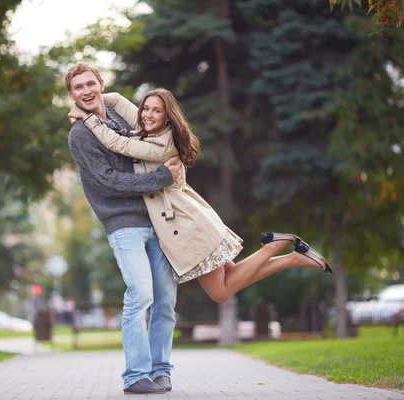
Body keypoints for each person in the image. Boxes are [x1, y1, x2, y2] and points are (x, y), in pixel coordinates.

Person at [68, 88, 333, 304]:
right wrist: (100, 98)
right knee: (230, 274)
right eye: (145, 108)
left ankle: (278, 247)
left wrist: (86, 116)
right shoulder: (149, 130)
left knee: (221, 292)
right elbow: (121, 103)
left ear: (167, 118)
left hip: (186, 226)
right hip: (191, 219)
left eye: (156, 111)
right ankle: (293, 256)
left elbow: (117, 144)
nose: (148, 114)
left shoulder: (158, 145)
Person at [65, 63, 184, 394]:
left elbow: (156, 135)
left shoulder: (120, 118)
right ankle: (135, 375)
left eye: (91, 83)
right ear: (71, 95)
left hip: (158, 218)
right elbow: (107, 181)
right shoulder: (81, 135)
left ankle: (161, 371)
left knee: (165, 300)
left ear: (101, 84)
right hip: (122, 222)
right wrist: (162, 177)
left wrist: (174, 166)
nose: (87, 91)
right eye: (79, 88)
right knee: (141, 293)